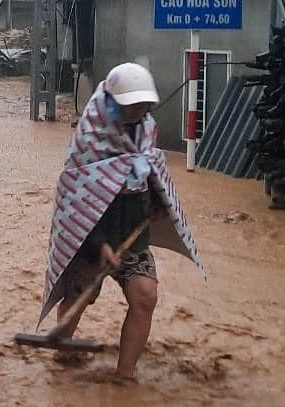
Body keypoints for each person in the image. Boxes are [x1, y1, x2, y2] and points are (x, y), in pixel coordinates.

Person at [38, 62, 204, 381]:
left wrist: (156, 202)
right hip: (90, 232)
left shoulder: (146, 129)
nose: (139, 112)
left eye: (144, 106)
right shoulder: (90, 136)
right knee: (79, 295)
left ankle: (125, 374)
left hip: (133, 231)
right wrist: (99, 244)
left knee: (145, 297)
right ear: (113, 102)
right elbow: (76, 196)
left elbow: (153, 171)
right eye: (133, 106)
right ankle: (65, 355)